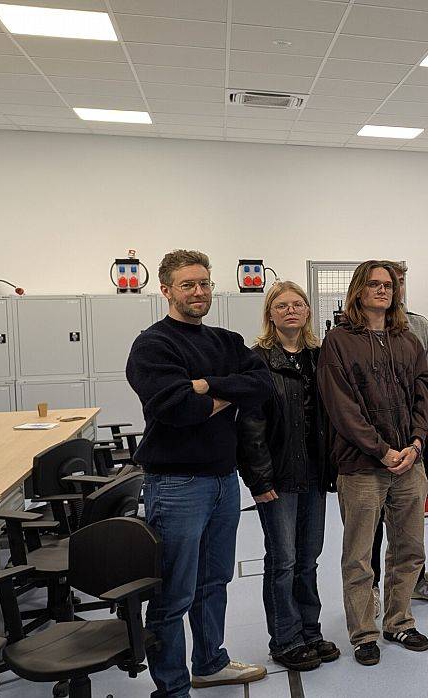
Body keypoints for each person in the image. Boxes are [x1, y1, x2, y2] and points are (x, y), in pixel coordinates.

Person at [126, 250, 274, 697]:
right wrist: (231, 392)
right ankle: (172, 688)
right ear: (166, 290)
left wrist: (207, 385)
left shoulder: (226, 341)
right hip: (177, 485)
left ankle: (210, 663)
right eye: (188, 284)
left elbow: (263, 385)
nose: (198, 292)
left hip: (224, 481)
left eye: (204, 283)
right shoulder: (153, 346)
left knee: (214, 581)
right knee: (174, 593)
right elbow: (179, 410)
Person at [318, 261, 428, 665]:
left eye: (388, 285)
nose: (383, 290)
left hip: (409, 463)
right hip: (362, 465)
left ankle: (399, 621)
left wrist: (416, 443)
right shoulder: (338, 341)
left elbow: (424, 393)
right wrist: (381, 450)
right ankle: (364, 633)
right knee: (359, 555)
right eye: (374, 284)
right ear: (358, 290)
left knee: (409, 549)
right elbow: (341, 407)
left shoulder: (407, 340)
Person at [236, 281, 339, 673]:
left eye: (297, 304)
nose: (291, 310)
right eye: (281, 306)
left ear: (308, 311)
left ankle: (310, 631)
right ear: (270, 314)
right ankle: (285, 639)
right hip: (278, 477)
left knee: (308, 559)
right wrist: (259, 481)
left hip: (314, 473)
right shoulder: (257, 360)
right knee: (283, 560)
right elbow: (250, 426)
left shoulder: (319, 356)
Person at [370, 261, 428, 606]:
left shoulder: (417, 325)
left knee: (410, 521)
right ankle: (373, 588)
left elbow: (424, 382)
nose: (392, 288)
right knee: (373, 522)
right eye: (383, 282)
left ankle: (416, 580)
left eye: (398, 282)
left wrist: (418, 438)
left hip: (412, 438)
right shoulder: (353, 334)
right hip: (372, 444)